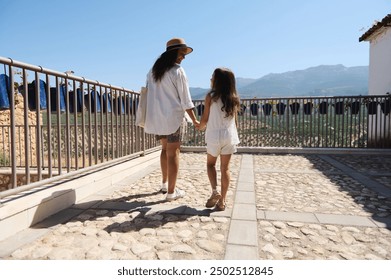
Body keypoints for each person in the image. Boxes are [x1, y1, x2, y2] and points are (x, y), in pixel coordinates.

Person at [144, 38, 200, 201]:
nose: (184, 57)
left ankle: (164, 184)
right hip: (173, 118)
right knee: (173, 152)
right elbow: (186, 100)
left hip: (157, 118)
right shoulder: (177, 71)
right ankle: (171, 192)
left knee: (164, 150)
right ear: (174, 53)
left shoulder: (153, 71)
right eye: (182, 53)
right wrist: (195, 120)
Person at [198, 68, 240, 211]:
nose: (210, 79)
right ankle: (222, 201)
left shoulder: (211, 96)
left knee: (210, 165)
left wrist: (200, 126)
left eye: (212, 77)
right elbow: (235, 121)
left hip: (214, 135)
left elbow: (205, 118)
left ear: (217, 80)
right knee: (225, 168)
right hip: (229, 135)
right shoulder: (233, 98)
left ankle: (215, 191)